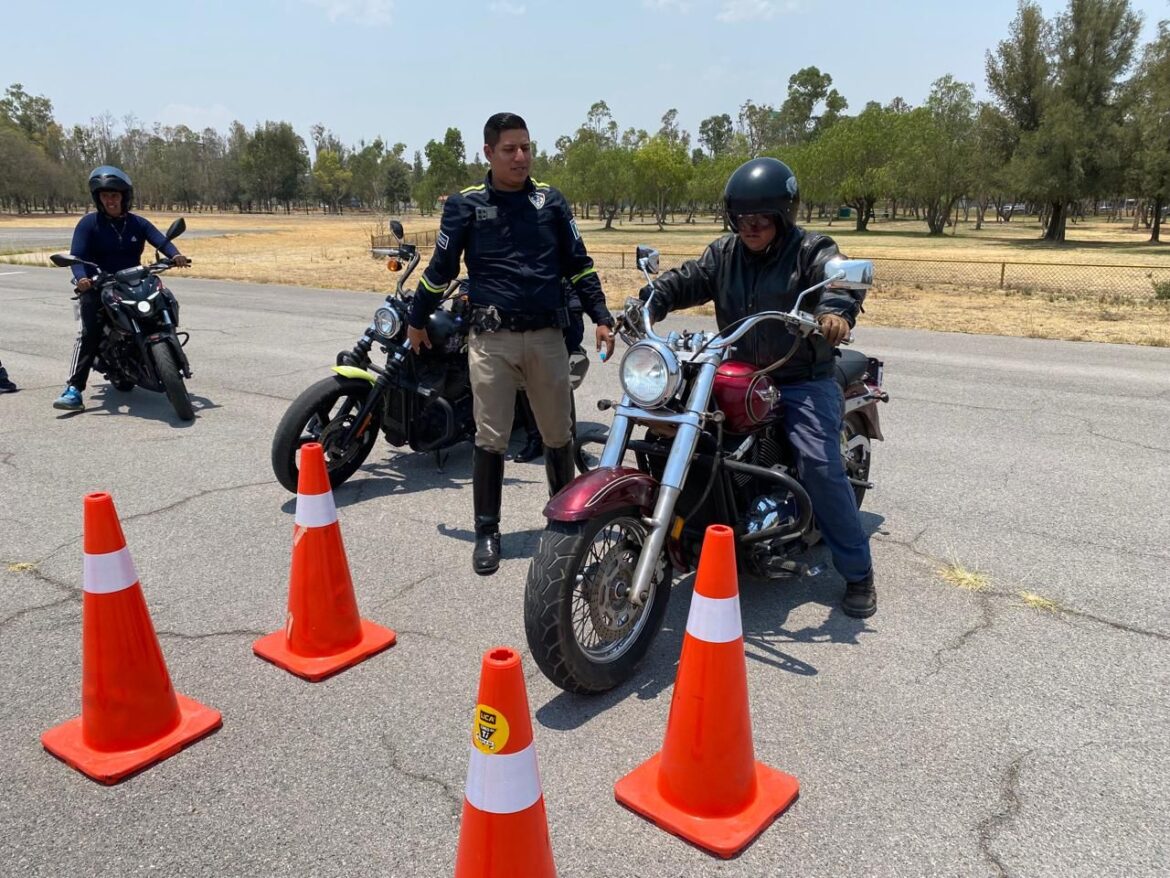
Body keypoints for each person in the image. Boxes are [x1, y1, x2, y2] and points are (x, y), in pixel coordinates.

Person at [638, 157, 877, 618]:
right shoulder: (724, 253)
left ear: (783, 216)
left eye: (761, 218)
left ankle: (858, 572)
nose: (750, 226)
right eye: (742, 218)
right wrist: (651, 297)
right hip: (738, 371)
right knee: (668, 428)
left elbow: (838, 277)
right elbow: (690, 277)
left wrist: (835, 312)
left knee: (819, 462)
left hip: (801, 377)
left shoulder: (811, 249)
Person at [406, 112, 615, 575]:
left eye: (526, 147)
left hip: (546, 339)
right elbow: (440, 269)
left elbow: (579, 264)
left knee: (558, 435)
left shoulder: (551, 202)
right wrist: (417, 318)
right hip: (492, 341)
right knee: (490, 438)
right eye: (509, 150)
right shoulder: (465, 205)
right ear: (488, 153)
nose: (520, 157)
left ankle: (566, 531)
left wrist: (601, 315)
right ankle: (487, 532)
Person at [52, 166, 188, 411]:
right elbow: (78, 257)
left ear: (125, 197)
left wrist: (175, 255)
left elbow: (160, 240)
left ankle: (166, 346)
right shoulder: (88, 224)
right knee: (90, 333)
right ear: (98, 198)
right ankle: (74, 388)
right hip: (100, 284)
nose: (110, 199)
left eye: (115, 194)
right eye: (105, 195)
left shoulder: (137, 223)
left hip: (134, 280)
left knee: (164, 298)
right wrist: (82, 279)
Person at [512, 283, 586, 463]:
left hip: (557, 320)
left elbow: (573, 278)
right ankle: (535, 439)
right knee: (523, 381)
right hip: (522, 321)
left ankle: (572, 445)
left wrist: (574, 316)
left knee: (559, 384)